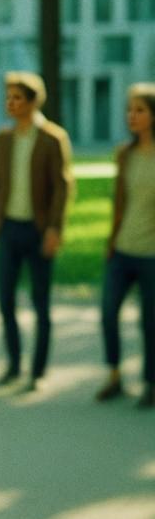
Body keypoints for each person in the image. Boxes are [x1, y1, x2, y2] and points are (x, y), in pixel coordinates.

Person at [0, 71, 73, 392]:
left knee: (40, 303)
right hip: (8, 229)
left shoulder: (52, 138)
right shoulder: (2, 140)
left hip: (38, 231)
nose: (11, 103)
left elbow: (62, 188)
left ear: (33, 101)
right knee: (5, 300)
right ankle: (13, 363)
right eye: (8, 97)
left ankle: (37, 371)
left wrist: (54, 229)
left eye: (17, 97)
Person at [96, 83, 155, 407]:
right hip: (122, 248)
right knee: (108, 313)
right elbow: (120, 203)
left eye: (140, 110)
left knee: (150, 323)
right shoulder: (125, 154)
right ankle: (115, 375)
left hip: (152, 255)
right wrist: (111, 240)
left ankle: (150, 382)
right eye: (129, 110)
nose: (131, 116)